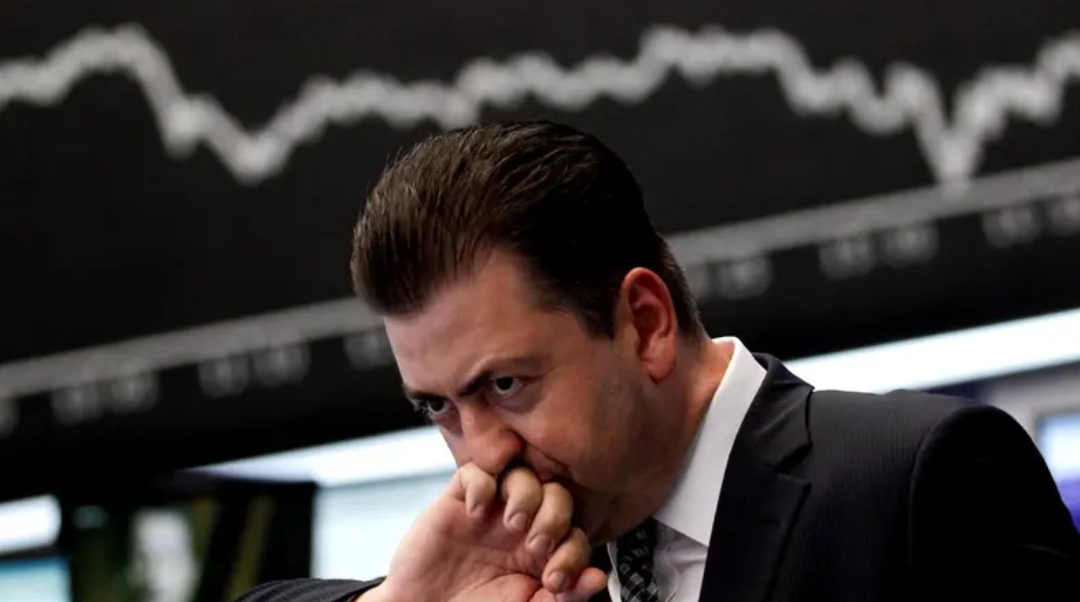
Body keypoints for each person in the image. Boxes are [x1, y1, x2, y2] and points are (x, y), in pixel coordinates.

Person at [236, 121, 1080, 602]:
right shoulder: (513, 570)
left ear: (645, 324)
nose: (480, 455)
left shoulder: (915, 483)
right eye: (438, 407)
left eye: (506, 384)